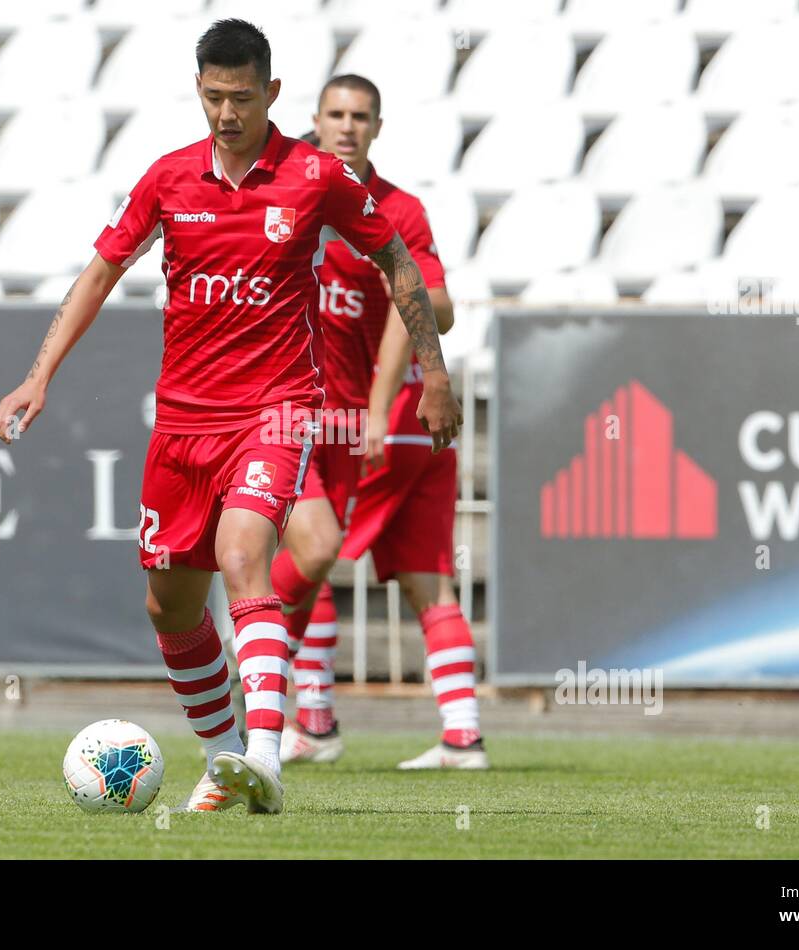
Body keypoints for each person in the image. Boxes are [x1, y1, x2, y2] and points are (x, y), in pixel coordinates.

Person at [0, 21, 462, 813]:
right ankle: (224, 759)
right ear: (199, 91)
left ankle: (269, 758)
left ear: (272, 94)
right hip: (181, 426)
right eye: (213, 97)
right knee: (168, 605)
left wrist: (435, 374)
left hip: (275, 411)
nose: (226, 113)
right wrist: (38, 377)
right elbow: (100, 271)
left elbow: (396, 259)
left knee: (245, 551)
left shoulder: (314, 176)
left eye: (242, 98)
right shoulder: (168, 179)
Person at [279, 75, 488, 771]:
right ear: (316, 119)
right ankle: (463, 735)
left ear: (377, 126)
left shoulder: (391, 210)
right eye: (336, 114)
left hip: (365, 425)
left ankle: (309, 719)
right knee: (429, 578)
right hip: (407, 428)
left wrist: (374, 402)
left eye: (359, 116)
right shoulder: (301, 196)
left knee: (307, 560)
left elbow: (431, 301)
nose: (347, 126)